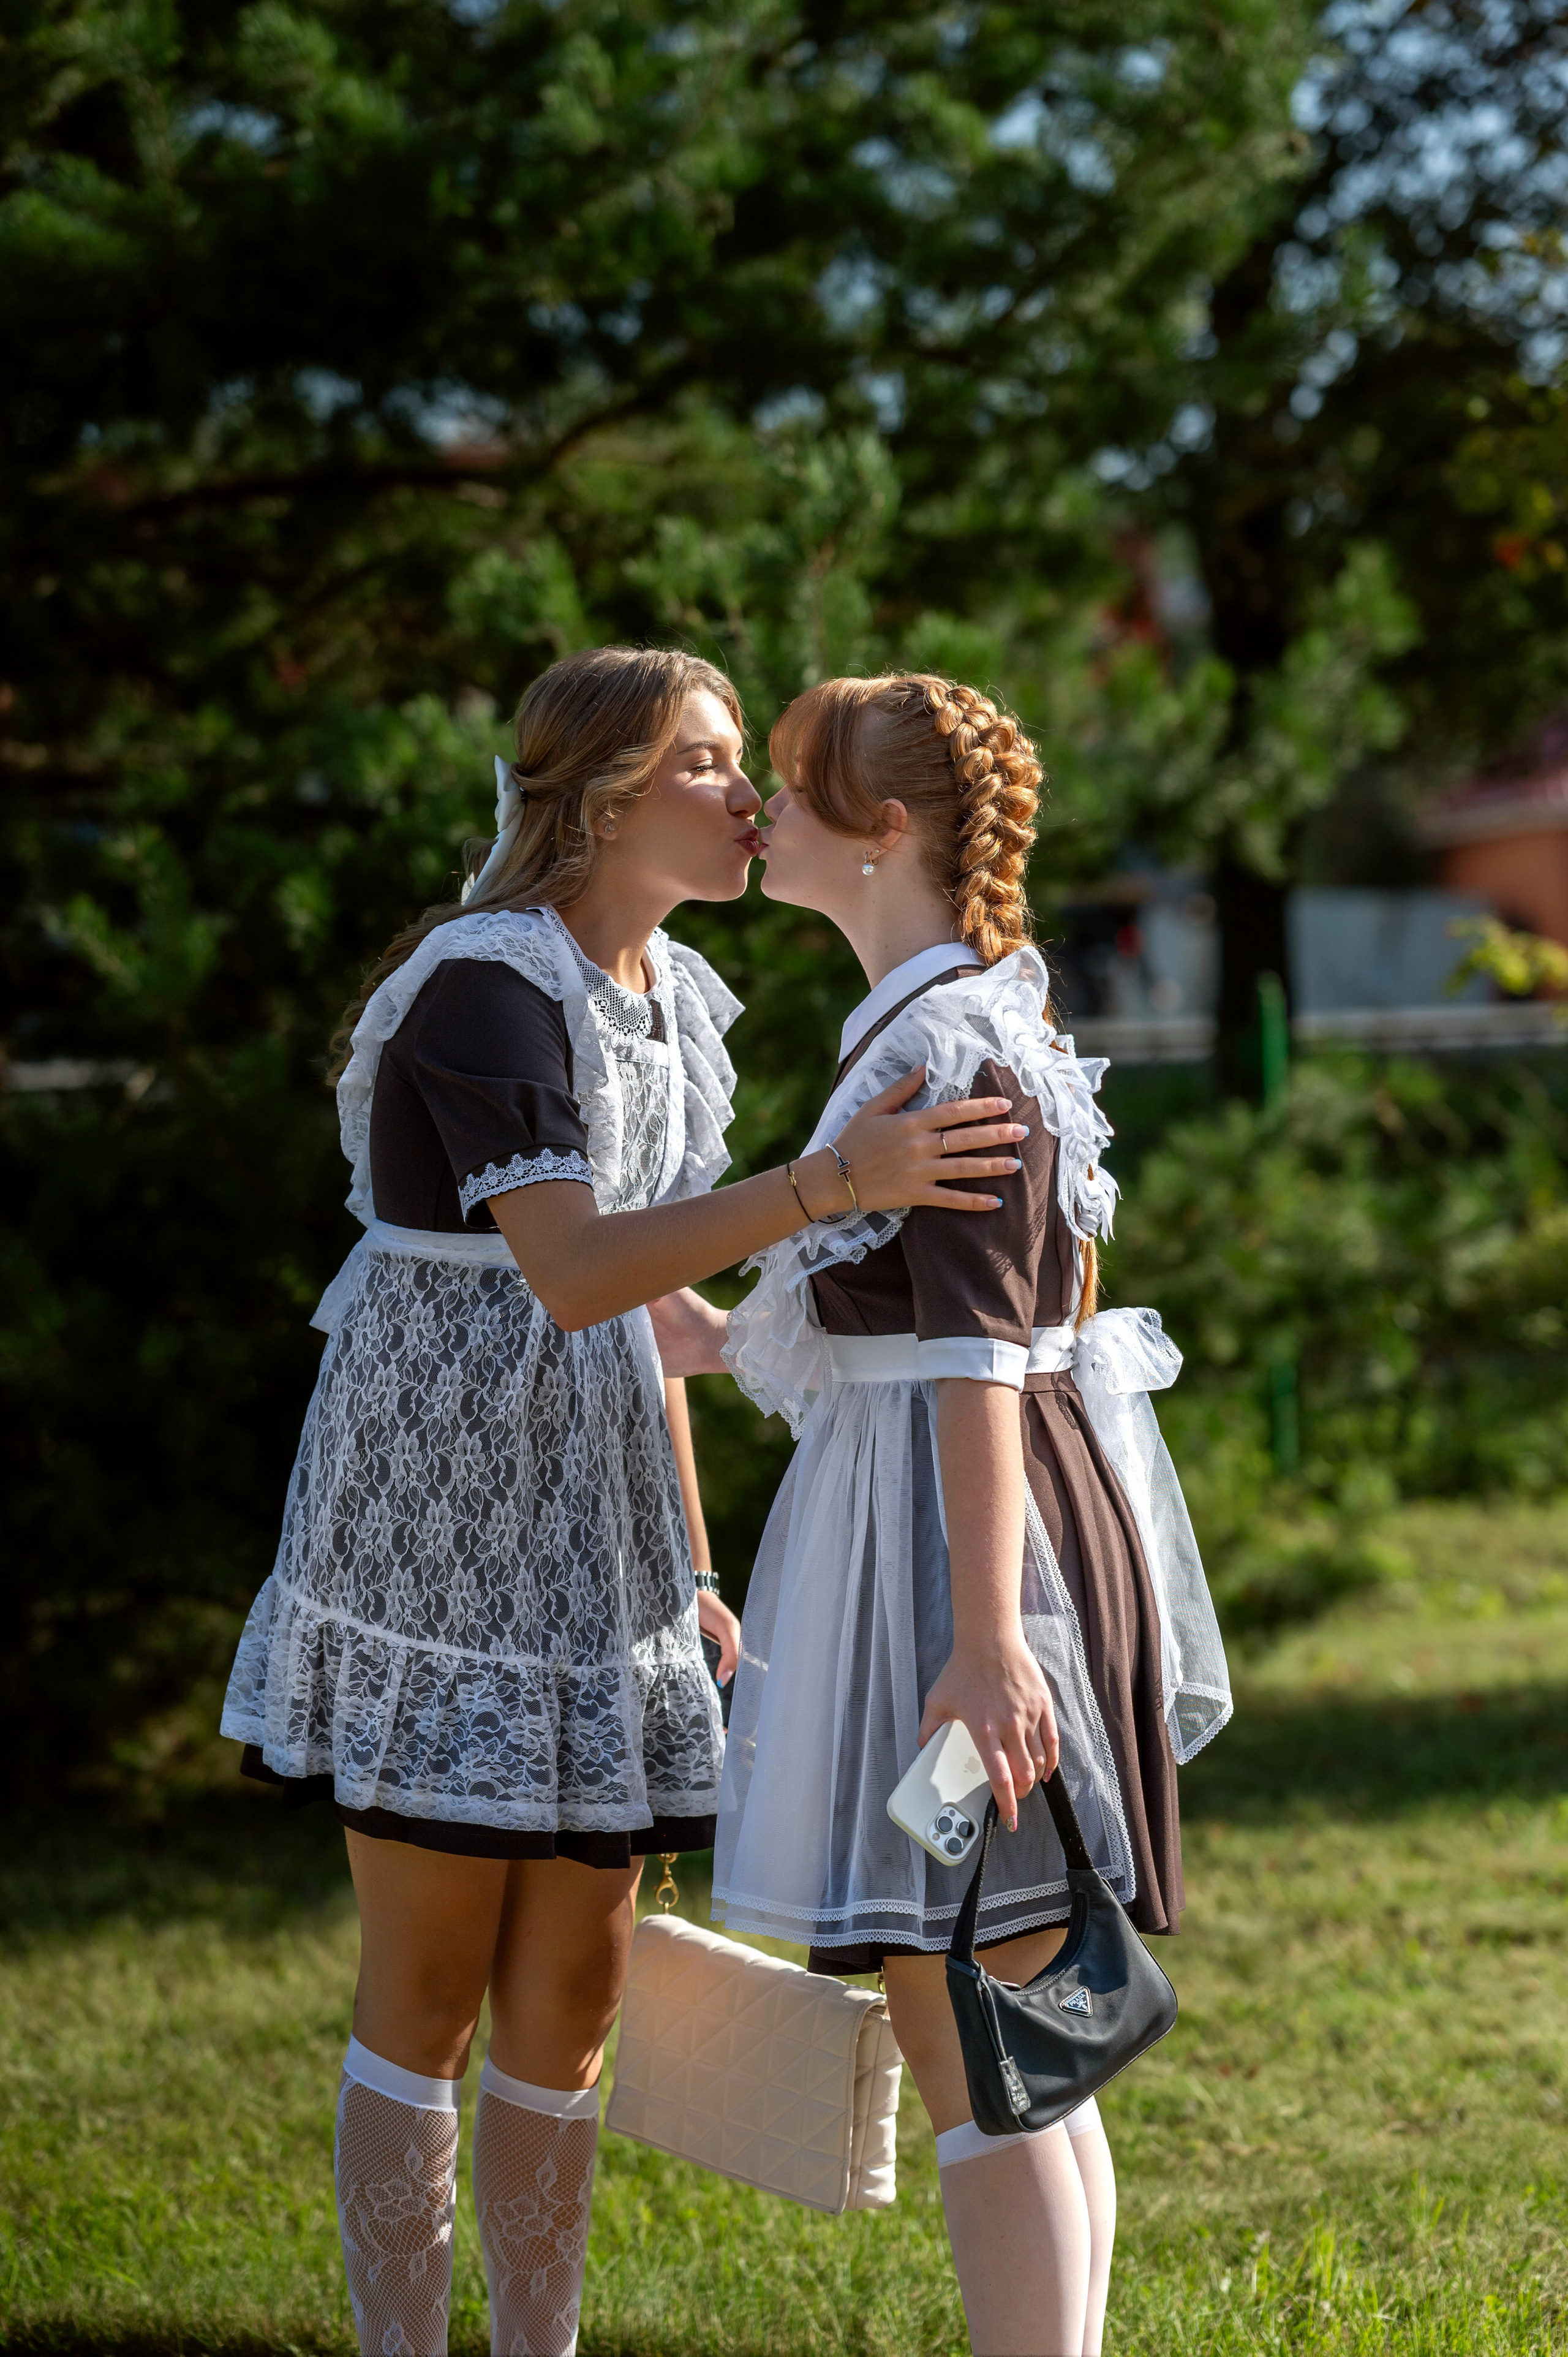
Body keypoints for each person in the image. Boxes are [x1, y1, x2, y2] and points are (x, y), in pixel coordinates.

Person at [219, 646, 1028, 2357]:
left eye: (749, 765)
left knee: (575, 1998)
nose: (750, 796)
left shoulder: (669, 994)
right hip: (435, 1529)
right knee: (428, 1989)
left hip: (600, 1536)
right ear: (597, 795)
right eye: (709, 762)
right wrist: (833, 1183)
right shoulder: (484, 988)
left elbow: (654, 1323)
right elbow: (579, 1271)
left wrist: (694, 1559)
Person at [685, 672, 1232, 2357]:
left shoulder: (942, 1043)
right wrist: (667, 1319)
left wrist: (991, 1653)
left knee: (977, 2035)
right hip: (969, 1540)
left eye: (791, 783)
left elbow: (981, 1356)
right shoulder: (966, 1017)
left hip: (966, 1575)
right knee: (1018, 2026)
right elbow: (898, 1325)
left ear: (890, 831)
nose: (764, 813)